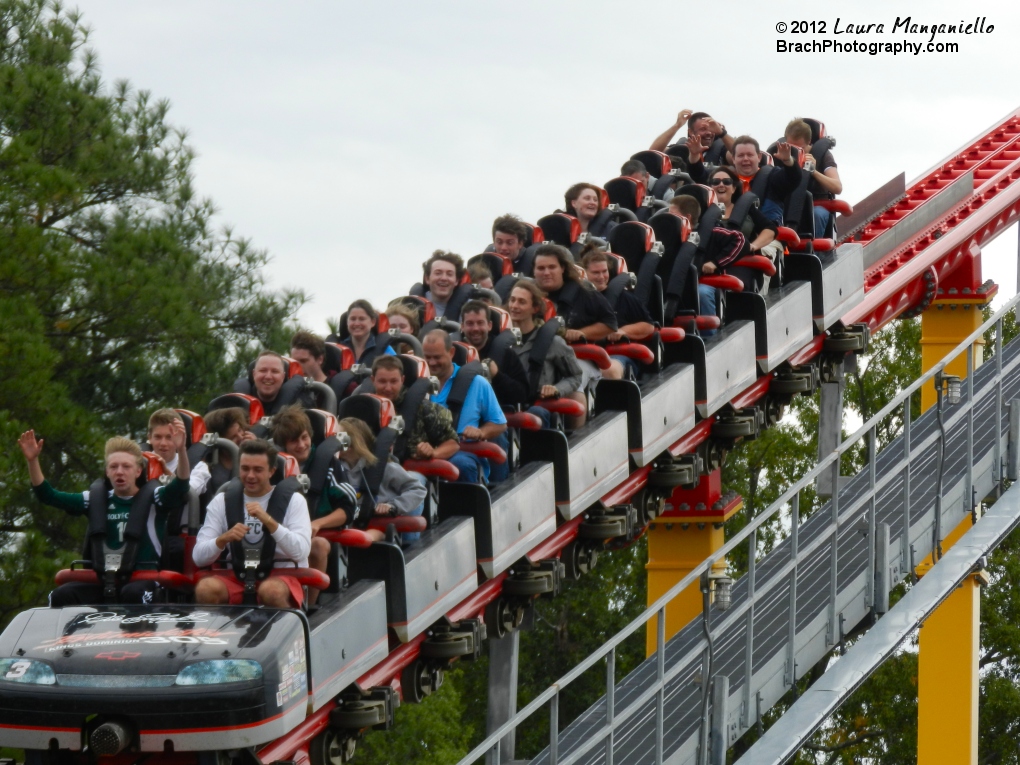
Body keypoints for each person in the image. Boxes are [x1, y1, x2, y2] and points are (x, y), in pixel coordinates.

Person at [19, 423, 191, 606]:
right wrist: (32, 461)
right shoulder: (94, 500)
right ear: (107, 472)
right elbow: (48, 496)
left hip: (141, 580)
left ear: (138, 471)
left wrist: (181, 450)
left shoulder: (155, 499)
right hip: (103, 580)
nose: (119, 472)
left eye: (126, 466)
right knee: (60, 596)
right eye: (114, 467)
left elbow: (180, 486)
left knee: (133, 595)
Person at [192, 439, 312, 608]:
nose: (250, 476)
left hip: (281, 575)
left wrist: (269, 522)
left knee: (271, 591)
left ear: (271, 471)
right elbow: (198, 557)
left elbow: (301, 551)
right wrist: (223, 539)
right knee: (206, 589)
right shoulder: (222, 501)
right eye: (245, 469)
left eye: (258, 470)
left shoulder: (294, 501)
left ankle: (293, 632)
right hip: (238, 575)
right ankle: (217, 632)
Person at [271, 405, 359, 605]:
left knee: (318, 546)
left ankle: (308, 606)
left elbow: (348, 507)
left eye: (305, 438)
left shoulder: (327, 463)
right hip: (279, 536)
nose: (302, 445)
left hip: (317, 536)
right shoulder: (272, 466)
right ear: (282, 443)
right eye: (294, 441)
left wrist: (317, 524)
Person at [422, 329, 508, 484]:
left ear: (451, 352)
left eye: (437, 357)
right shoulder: (418, 386)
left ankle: (468, 506)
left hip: (462, 450)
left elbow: (500, 424)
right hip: (425, 450)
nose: (432, 363)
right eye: (427, 357)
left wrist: (480, 432)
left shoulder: (477, 383)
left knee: (461, 465)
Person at [532, 244, 624, 383]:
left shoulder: (584, 292)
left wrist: (581, 333)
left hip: (579, 358)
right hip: (537, 359)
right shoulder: (527, 295)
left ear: (562, 268)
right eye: (541, 268)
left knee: (574, 383)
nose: (546, 272)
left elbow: (610, 324)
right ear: (534, 271)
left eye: (552, 267)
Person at [506, 281, 586, 429]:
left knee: (535, 414)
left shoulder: (553, 343)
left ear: (535, 308)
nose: (514, 306)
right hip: (507, 405)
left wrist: (556, 389)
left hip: (538, 405)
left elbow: (575, 376)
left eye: (521, 302)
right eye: (512, 300)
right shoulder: (501, 341)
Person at [336, 417, 427, 544]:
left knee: (368, 536)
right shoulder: (335, 469)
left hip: (379, 526)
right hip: (347, 525)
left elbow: (417, 489)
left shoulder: (383, 468)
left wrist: (393, 505)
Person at [580, 247, 655, 379]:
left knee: (609, 371)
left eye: (604, 272)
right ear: (584, 274)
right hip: (584, 353)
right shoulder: (575, 299)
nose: (601, 277)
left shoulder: (624, 297)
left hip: (616, 354)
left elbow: (648, 326)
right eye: (595, 273)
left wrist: (622, 331)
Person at [370, 355, 460, 463]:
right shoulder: (363, 410)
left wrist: (433, 452)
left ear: (402, 380)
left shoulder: (424, 409)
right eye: (382, 382)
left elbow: (453, 443)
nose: (388, 388)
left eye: (394, 382)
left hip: (413, 471)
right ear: (373, 380)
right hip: (372, 470)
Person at [709, 166, 779, 292]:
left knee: (734, 285)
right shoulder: (703, 212)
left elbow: (770, 229)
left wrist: (753, 246)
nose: (721, 185)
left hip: (741, 263)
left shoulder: (746, 209)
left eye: (726, 182)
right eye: (715, 182)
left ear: (734, 188)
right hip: (711, 264)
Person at [459, 299, 530, 409]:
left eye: (480, 323)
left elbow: (522, 394)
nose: (475, 328)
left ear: (490, 325)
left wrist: (497, 376)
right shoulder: (454, 353)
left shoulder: (506, 353)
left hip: (497, 414)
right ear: (462, 326)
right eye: (470, 323)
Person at [784, 119, 842, 237]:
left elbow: (837, 187)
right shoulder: (783, 155)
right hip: (789, 206)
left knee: (817, 215)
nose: (795, 153)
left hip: (816, 205)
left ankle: (814, 252)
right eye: (792, 148)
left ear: (809, 141)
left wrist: (813, 171)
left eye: (800, 149)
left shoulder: (824, 156)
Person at [729, 135, 800, 226]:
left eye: (750, 155)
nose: (745, 159)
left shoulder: (772, 176)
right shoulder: (723, 180)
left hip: (768, 234)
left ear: (759, 157)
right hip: (731, 233)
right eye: (741, 155)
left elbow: (793, 178)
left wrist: (787, 160)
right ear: (733, 159)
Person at [147, 408, 212, 497]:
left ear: (179, 437)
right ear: (150, 437)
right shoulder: (139, 463)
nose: (163, 443)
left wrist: (181, 449)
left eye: (169, 437)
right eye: (158, 437)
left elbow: (189, 493)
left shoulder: (198, 466)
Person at [648, 109, 731, 165]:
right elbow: (652, 154)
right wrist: (677, 125)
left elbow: (736, 154)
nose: (709, 133)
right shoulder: (680, 150)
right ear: (691, 132)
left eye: (711, 129)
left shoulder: (722, 150)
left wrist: (722, 133)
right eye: (703, 129)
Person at [338, 299, 395, 365]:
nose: (357, 323)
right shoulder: (338, 350)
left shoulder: (385, 350)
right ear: (347, 322)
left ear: (373, 322)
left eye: (362, 319)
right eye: (353, 319)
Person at [421, 251, 465, 318]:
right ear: (427, 279)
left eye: (449, 274)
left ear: (456, 281)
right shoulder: (413, 306)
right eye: (438, 273)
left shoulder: (470, 307)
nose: (444, 278)